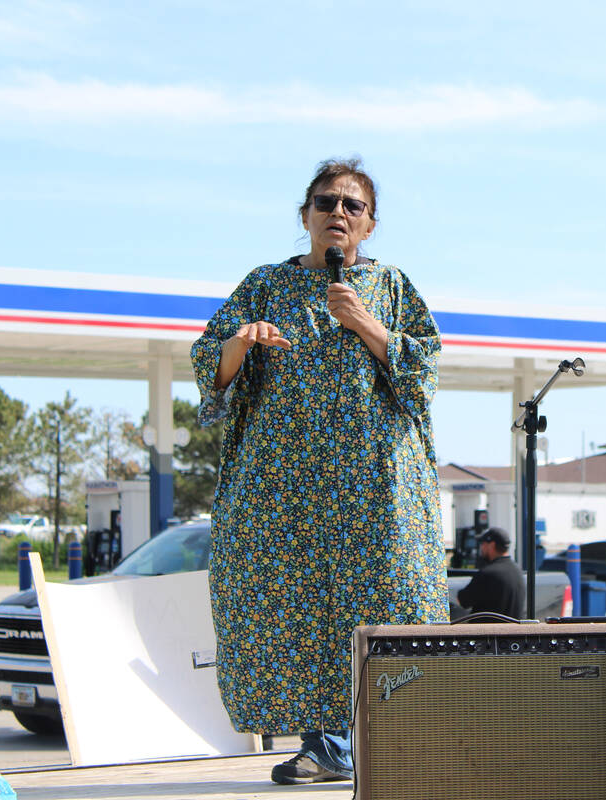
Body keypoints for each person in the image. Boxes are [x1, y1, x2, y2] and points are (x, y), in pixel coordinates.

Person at [190, 157, 449, 785]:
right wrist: (240, 344)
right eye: (327, 202)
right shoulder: (264, 284)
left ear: (370, 224)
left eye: (352, 206)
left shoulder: (390, 286)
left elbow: (425, 373)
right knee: (292, 602)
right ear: (305, 216)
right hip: (283, 489)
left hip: (375, 486)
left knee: (389, 598)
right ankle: (324, 743)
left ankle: (389, 739)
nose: (338, 213)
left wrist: (363, 322)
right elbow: (209, 367)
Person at [456, 527, 526, 618]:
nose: (481, 547)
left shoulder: (488, 574)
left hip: (488, 631)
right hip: (512, 630)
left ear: (491, 545)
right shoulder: (517, 571)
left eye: (483, 544)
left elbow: (462, 601)